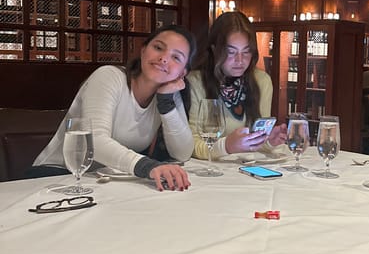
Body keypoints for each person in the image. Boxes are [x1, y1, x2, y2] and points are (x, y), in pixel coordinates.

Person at [31, 25, 196, 191]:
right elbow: (94, 141)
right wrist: (148, 167)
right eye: (158, 48)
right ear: (143, 50)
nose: (164, 58)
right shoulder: (109, 76)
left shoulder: (168, 94)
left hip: (103, 182)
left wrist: (166, 102)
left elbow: (182, 153)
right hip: (56, 176)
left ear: (182, 72)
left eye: (176, 58)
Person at [188, 11, 287, 159]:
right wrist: (226, 146)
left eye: (246, 52)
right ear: (215, 50)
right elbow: (191, 145)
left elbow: (255, 141)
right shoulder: (195, 82)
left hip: (244, 170)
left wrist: (269, 141)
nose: (240, 60)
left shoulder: (262, 81)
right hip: (207, 171)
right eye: (231, 52)